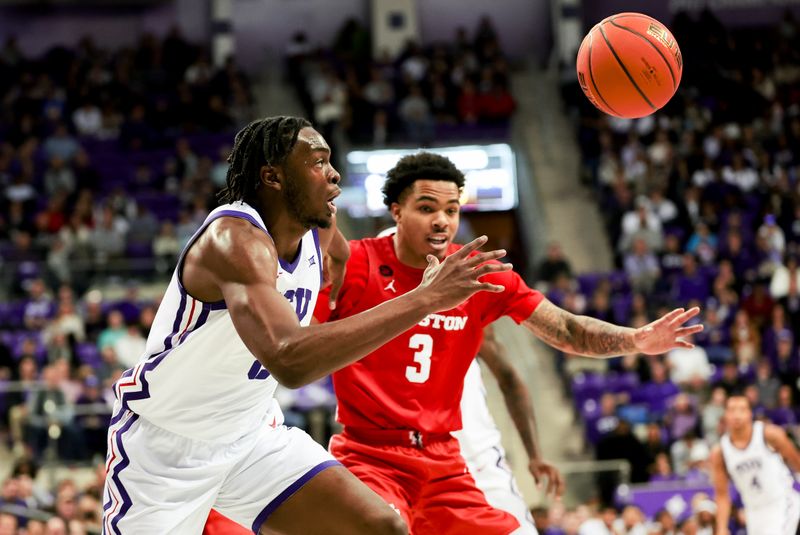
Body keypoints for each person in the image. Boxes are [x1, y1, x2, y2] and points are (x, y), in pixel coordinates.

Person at [102, 117, 511, 534]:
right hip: (169, 447)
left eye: (330, 161)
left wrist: (335, 276)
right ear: (272, 177)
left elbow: (340, 251)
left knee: (380, 527)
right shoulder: (233, 240)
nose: (333, 174)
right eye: (317, 162)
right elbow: (289, 359)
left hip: (251, 436)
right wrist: (426, 298)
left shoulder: (321, 227)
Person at [316, 152, 703, 533]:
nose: (441, 221)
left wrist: (634, 339)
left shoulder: (478, 276)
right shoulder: (357, 264)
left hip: (442, 458)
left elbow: (566, 329)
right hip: (370, 454)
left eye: (452, 211)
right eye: (427, 208)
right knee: (382, 527)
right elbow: (303, 339)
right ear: (396, 212)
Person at [710, 393, 800, 535]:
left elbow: (797, 462)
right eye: (732, 410)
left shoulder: (770, 434)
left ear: (749, 413)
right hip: (753, 513)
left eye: (741, 409)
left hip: (782, 502)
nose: (736, 415)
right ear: (725, 415)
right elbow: (721, 495)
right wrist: (721, 528)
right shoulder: (720, 452)